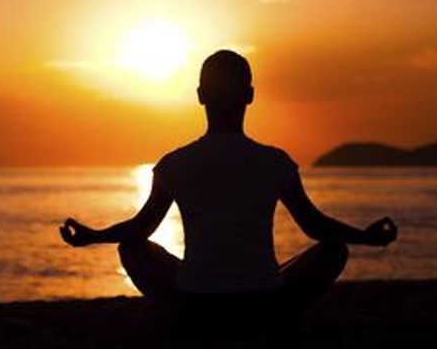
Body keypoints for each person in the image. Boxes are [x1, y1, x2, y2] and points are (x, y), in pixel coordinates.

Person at [59, 50, 397, 333]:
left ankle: (180, 317)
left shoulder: (174, 164)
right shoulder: (275, 162)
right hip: (265, 305)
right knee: (333, 250)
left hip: (196, 307)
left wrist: (91, 236)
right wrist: (368, 238)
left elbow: (138, 230)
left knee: (133, 249)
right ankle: (279, 318)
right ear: (249, 95)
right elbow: (315, 226)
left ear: (200, 96)